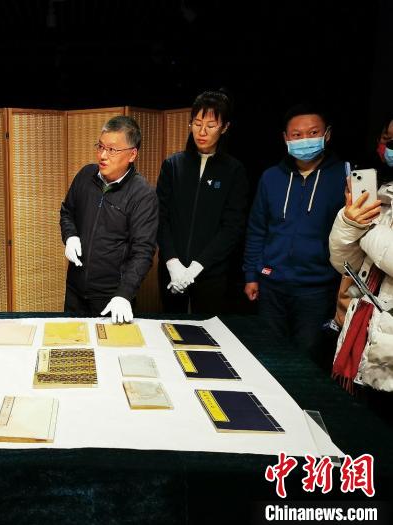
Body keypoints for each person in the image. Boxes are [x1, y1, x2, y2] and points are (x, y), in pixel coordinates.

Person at [243, 103, 347, 361]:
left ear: (327, 135)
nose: (305, 140)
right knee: (269, 354)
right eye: (297, 135)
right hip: (271, 284)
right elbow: (257, 229)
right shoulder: (270, 177)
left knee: (308, 357)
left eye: (313, 133)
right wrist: (251, 275)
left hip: (318, 289)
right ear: (286, 138)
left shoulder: (343, 176)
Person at [156, 90, 248, 314]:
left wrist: (196, 268)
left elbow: (232, 227)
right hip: (172, 270)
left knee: (206, 338)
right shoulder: (173, 165)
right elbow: (160, 217)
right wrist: (172, 262)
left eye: (211, 125)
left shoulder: (234, 171)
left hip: (211, 273)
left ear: (225, 127)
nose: (202, 132)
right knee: (170, 329)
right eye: (197, 124)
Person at [60, 116, 158, 323]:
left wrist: (124, 294)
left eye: (112, 150)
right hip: (75, 291)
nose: (103, 155)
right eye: (100, 146)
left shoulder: (142, 194)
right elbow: (67, 211)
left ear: (132, 154)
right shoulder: (86, 175)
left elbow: (143, 251)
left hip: (111, 297)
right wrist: (70, 237)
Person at [328, 116, 392, 395]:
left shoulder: (375, 216)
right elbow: (345, 264)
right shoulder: (382, 194)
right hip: (365, 330)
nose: (389, 147)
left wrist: (365, 224)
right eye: (387, 140)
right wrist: (349, 221)